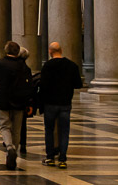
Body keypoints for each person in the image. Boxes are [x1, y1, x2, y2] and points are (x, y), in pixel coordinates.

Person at [0, 40, 34, 170]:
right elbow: (29, 86)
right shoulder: (24, 67)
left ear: (6, 51)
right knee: (16, 129)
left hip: (3, 101)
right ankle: (14, 149)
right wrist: (29, 101)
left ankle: (9, 147)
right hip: (19, 102)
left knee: (4, 126)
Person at [39, 41, 83, 169]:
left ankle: (50, 157)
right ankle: (63, 159)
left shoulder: (47, 66)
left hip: (50, 103)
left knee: (49, 130)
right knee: (64, 131)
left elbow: (43, 86)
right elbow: (78, 84)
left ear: (50, 51)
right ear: (61, 50)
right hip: (65, 103)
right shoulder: (72, 66)